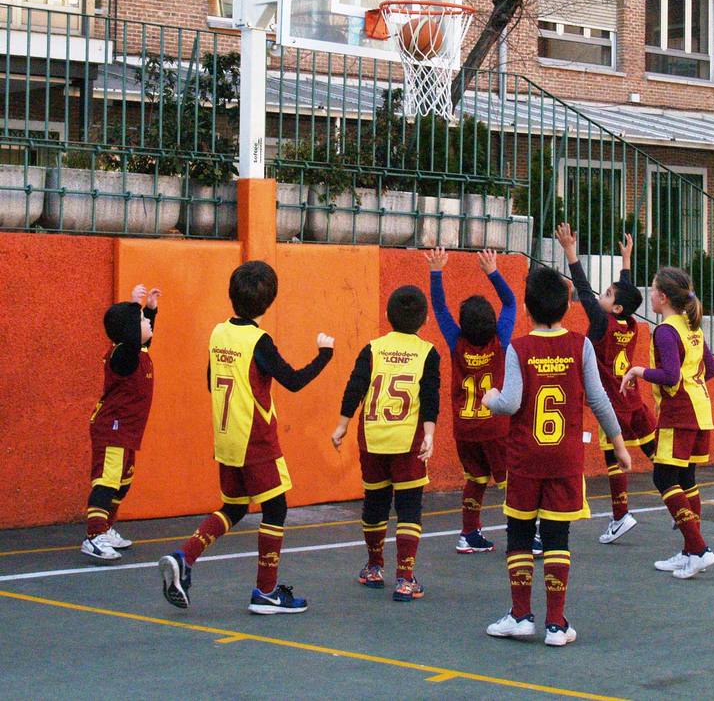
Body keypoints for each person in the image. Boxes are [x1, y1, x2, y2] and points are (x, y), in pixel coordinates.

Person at [159, 260, 334, 614]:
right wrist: (325, 356)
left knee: (235, 506)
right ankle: (266, 592)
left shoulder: (218, 333)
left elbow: (212, 381)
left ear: (231, 294)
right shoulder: (259, 341)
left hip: (226, 437)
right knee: (276, 507)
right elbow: (294, 381)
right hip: (255, 438)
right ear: (269, 302)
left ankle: (184, 556)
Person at [482, 266, 631, 647]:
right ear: (567, 305)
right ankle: (556, 623)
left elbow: (511, 401)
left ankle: (520, 616)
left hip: (525, 459)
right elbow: (598, 399)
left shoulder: (519, 348)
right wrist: (618, 443)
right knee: (557, 538)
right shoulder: (580, 345)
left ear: (528, 308)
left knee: (519, 534)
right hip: (565, 459)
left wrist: (491, 401)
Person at [332, 285, 440, 602]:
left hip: (373, 437)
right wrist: (430, 434)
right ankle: (405, 578)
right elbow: (430, 397)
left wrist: (342, 424)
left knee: (375, 502)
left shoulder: (373, 348)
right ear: (425, 320)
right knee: (409, 509)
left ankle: (374, 566)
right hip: (408, 441)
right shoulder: (427, 352)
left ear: (387, 316)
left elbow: (355, 386)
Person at [555, 223, 656, 544]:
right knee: (657, 454)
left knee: (614, 460)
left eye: (608, 293)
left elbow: (583, 291)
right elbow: (625, 295)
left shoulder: (601, 323)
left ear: (615, 307)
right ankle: (680, 497)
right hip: (635, 400)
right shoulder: (632, 323)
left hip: (611, 404)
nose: (602, 294)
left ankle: (620, 515)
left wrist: (570, 252)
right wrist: (626, 262)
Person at [622, 266, 714, 578]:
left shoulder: (666, 330)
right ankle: (691, 552)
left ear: (662, 297)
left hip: (680, 412)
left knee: (664, 478)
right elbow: (712, 370)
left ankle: (699, 548)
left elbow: (671, 375)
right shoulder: (693, 327)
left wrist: (638, 371)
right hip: (701, 409)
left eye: (652, 290)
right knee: (686, 479)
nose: (649, 294)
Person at [425, 247, 515, 553]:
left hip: (465, 429)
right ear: (492, 322)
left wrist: (436, 271)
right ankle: (524, 533)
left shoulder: (456, 342)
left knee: (475, 478)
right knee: (511, 483)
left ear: (463, 324)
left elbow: (439, 308)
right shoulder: (501, 340)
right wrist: (492, 270)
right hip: (495, 428)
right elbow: (511, 302)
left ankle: (469, 532)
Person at [83, 284, 160, 561]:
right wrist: (132, 305)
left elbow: (142, 336)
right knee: (107, 482)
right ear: (128, 330)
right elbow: (131, 338)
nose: (147, 324)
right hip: (112, 429)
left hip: (127, 430)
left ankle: (106, 527)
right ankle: (94, 536)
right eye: (141, 321)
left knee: (123, 483)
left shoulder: (138, 351)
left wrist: (149, 308)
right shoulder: (122, 356)